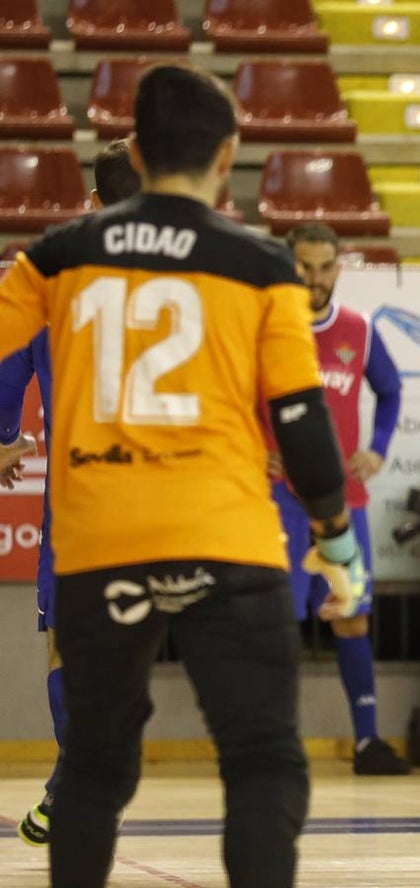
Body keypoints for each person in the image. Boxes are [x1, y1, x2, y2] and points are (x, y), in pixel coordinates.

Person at [0, 64, 367, 887]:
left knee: (94, 768)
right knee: (264, 759)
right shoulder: (262, 264)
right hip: (226, 541)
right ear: (227, 153)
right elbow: (303, 424)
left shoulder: (57, 256)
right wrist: (338, 546)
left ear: (134, 146)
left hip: (98, 546)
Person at [0, 136, 142, 848]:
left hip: (87, 490)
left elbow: (6, 362)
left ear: (92, 202)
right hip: (173, 492)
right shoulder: (202, 274)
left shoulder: (48, 274)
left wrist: (2, 441)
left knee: (68, 645)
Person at [266, 222, 409, 776]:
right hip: (278, 501)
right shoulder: (265, 327)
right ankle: (269, 747)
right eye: (305, 266)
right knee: (276, 622)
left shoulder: (359, 330)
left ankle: (367, 742)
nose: (317, 277)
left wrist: (376, 447)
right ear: (289, 265)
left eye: (326, 266)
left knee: (351, 616)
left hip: (344, 503)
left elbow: (391, 391)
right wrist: (257, 451)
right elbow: (228, 397)